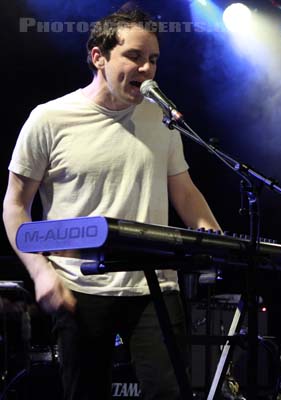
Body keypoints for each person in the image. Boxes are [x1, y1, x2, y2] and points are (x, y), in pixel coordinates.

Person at [2, 9, 221, 400]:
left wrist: (214, 239)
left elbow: (184, 191)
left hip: (155, 284)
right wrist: (40, 273)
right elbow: (16, 205)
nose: (147, 68)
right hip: (77, 283)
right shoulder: (50, 119)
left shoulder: (161, 118)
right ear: (98, 57)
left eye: (153, 59)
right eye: (135, 56)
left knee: (169, 393)